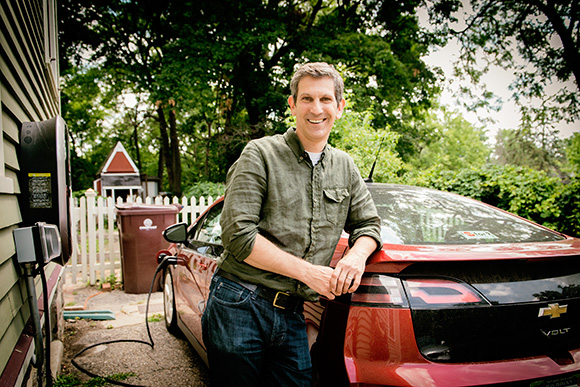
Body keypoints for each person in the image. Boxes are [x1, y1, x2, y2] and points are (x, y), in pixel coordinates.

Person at [201, 62, 382, 387]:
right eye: (307, 99)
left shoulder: (345, 166)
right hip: (240, 302)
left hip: (293, 311)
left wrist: (355, 256)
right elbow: (238, 236)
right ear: (292, 105)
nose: (317, 109)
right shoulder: (259, 154)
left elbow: (369, 225)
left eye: (326, 99)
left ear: (339, 107)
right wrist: (308, 273)